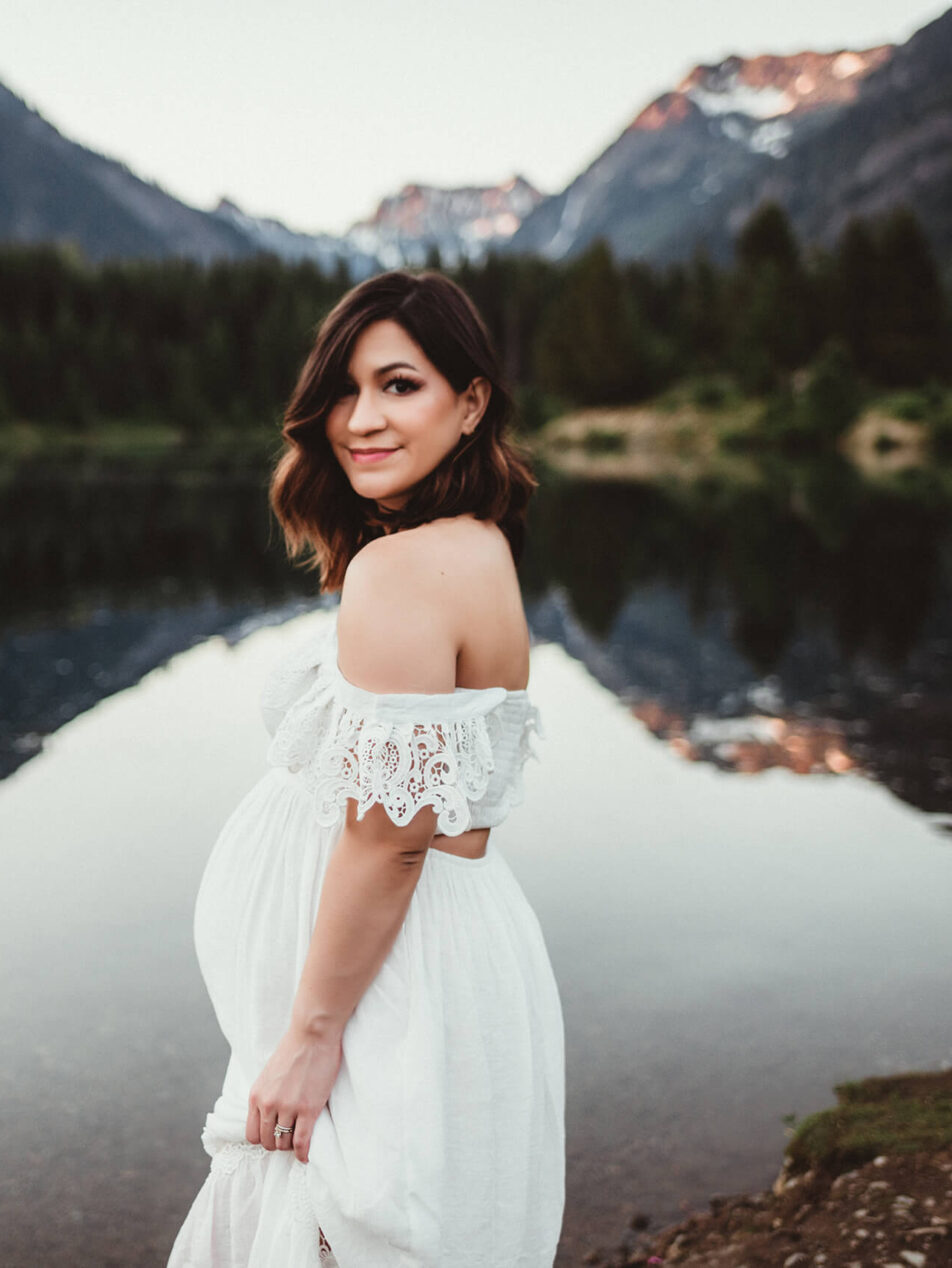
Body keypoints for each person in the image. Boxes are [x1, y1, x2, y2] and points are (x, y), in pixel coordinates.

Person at [166, 269, 564, 1267]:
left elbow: (392, 841)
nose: (360, 418)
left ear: (470, 403)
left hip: (389, 987)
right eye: (343, 390)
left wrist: (311, 1037)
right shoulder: (476, 544)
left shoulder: (403, 570)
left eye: (399, 384)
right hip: (435, 956)